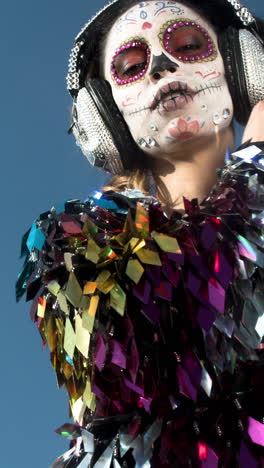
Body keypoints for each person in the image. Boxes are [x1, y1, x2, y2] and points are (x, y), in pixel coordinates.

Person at [17, 1, 264, 466]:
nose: (163, 68)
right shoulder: (74, 244)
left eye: (189, 45)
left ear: (240, 64)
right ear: (106, 114)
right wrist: (257, 167)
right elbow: (175, 359)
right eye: (132, 66)